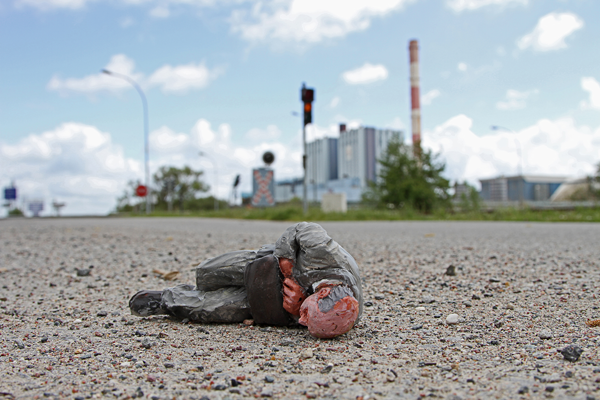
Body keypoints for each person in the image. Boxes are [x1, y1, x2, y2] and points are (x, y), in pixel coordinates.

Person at [129, 222, 363, 339]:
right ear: (322, 294)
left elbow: (301, 321)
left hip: (266, 303)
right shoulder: (324, 252)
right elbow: (301, 229)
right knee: (206, 273)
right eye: (307, 315)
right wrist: (285, 259)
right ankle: (195, 287)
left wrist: (294, 312)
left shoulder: (343, 317)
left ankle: (166, 301)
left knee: (213, 308)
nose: (303, 322)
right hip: (264, 266)